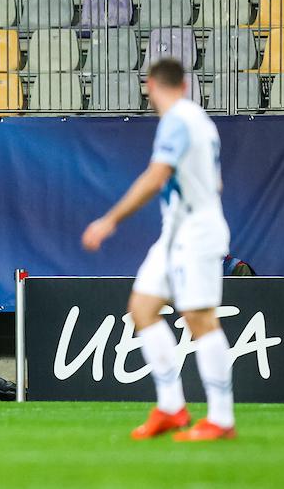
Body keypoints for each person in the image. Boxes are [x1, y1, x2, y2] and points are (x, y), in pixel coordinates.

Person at [82, 58, 236, 441]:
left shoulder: (178, 119)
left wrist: (110, 219)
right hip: (176, 232)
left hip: (195, 233)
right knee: (143, 308)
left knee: (200, 318)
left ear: (150, 85)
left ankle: (221, 418)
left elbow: (156, 175)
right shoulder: (200, 120)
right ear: (184, 84)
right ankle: (172, 408)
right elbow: (213, 184)